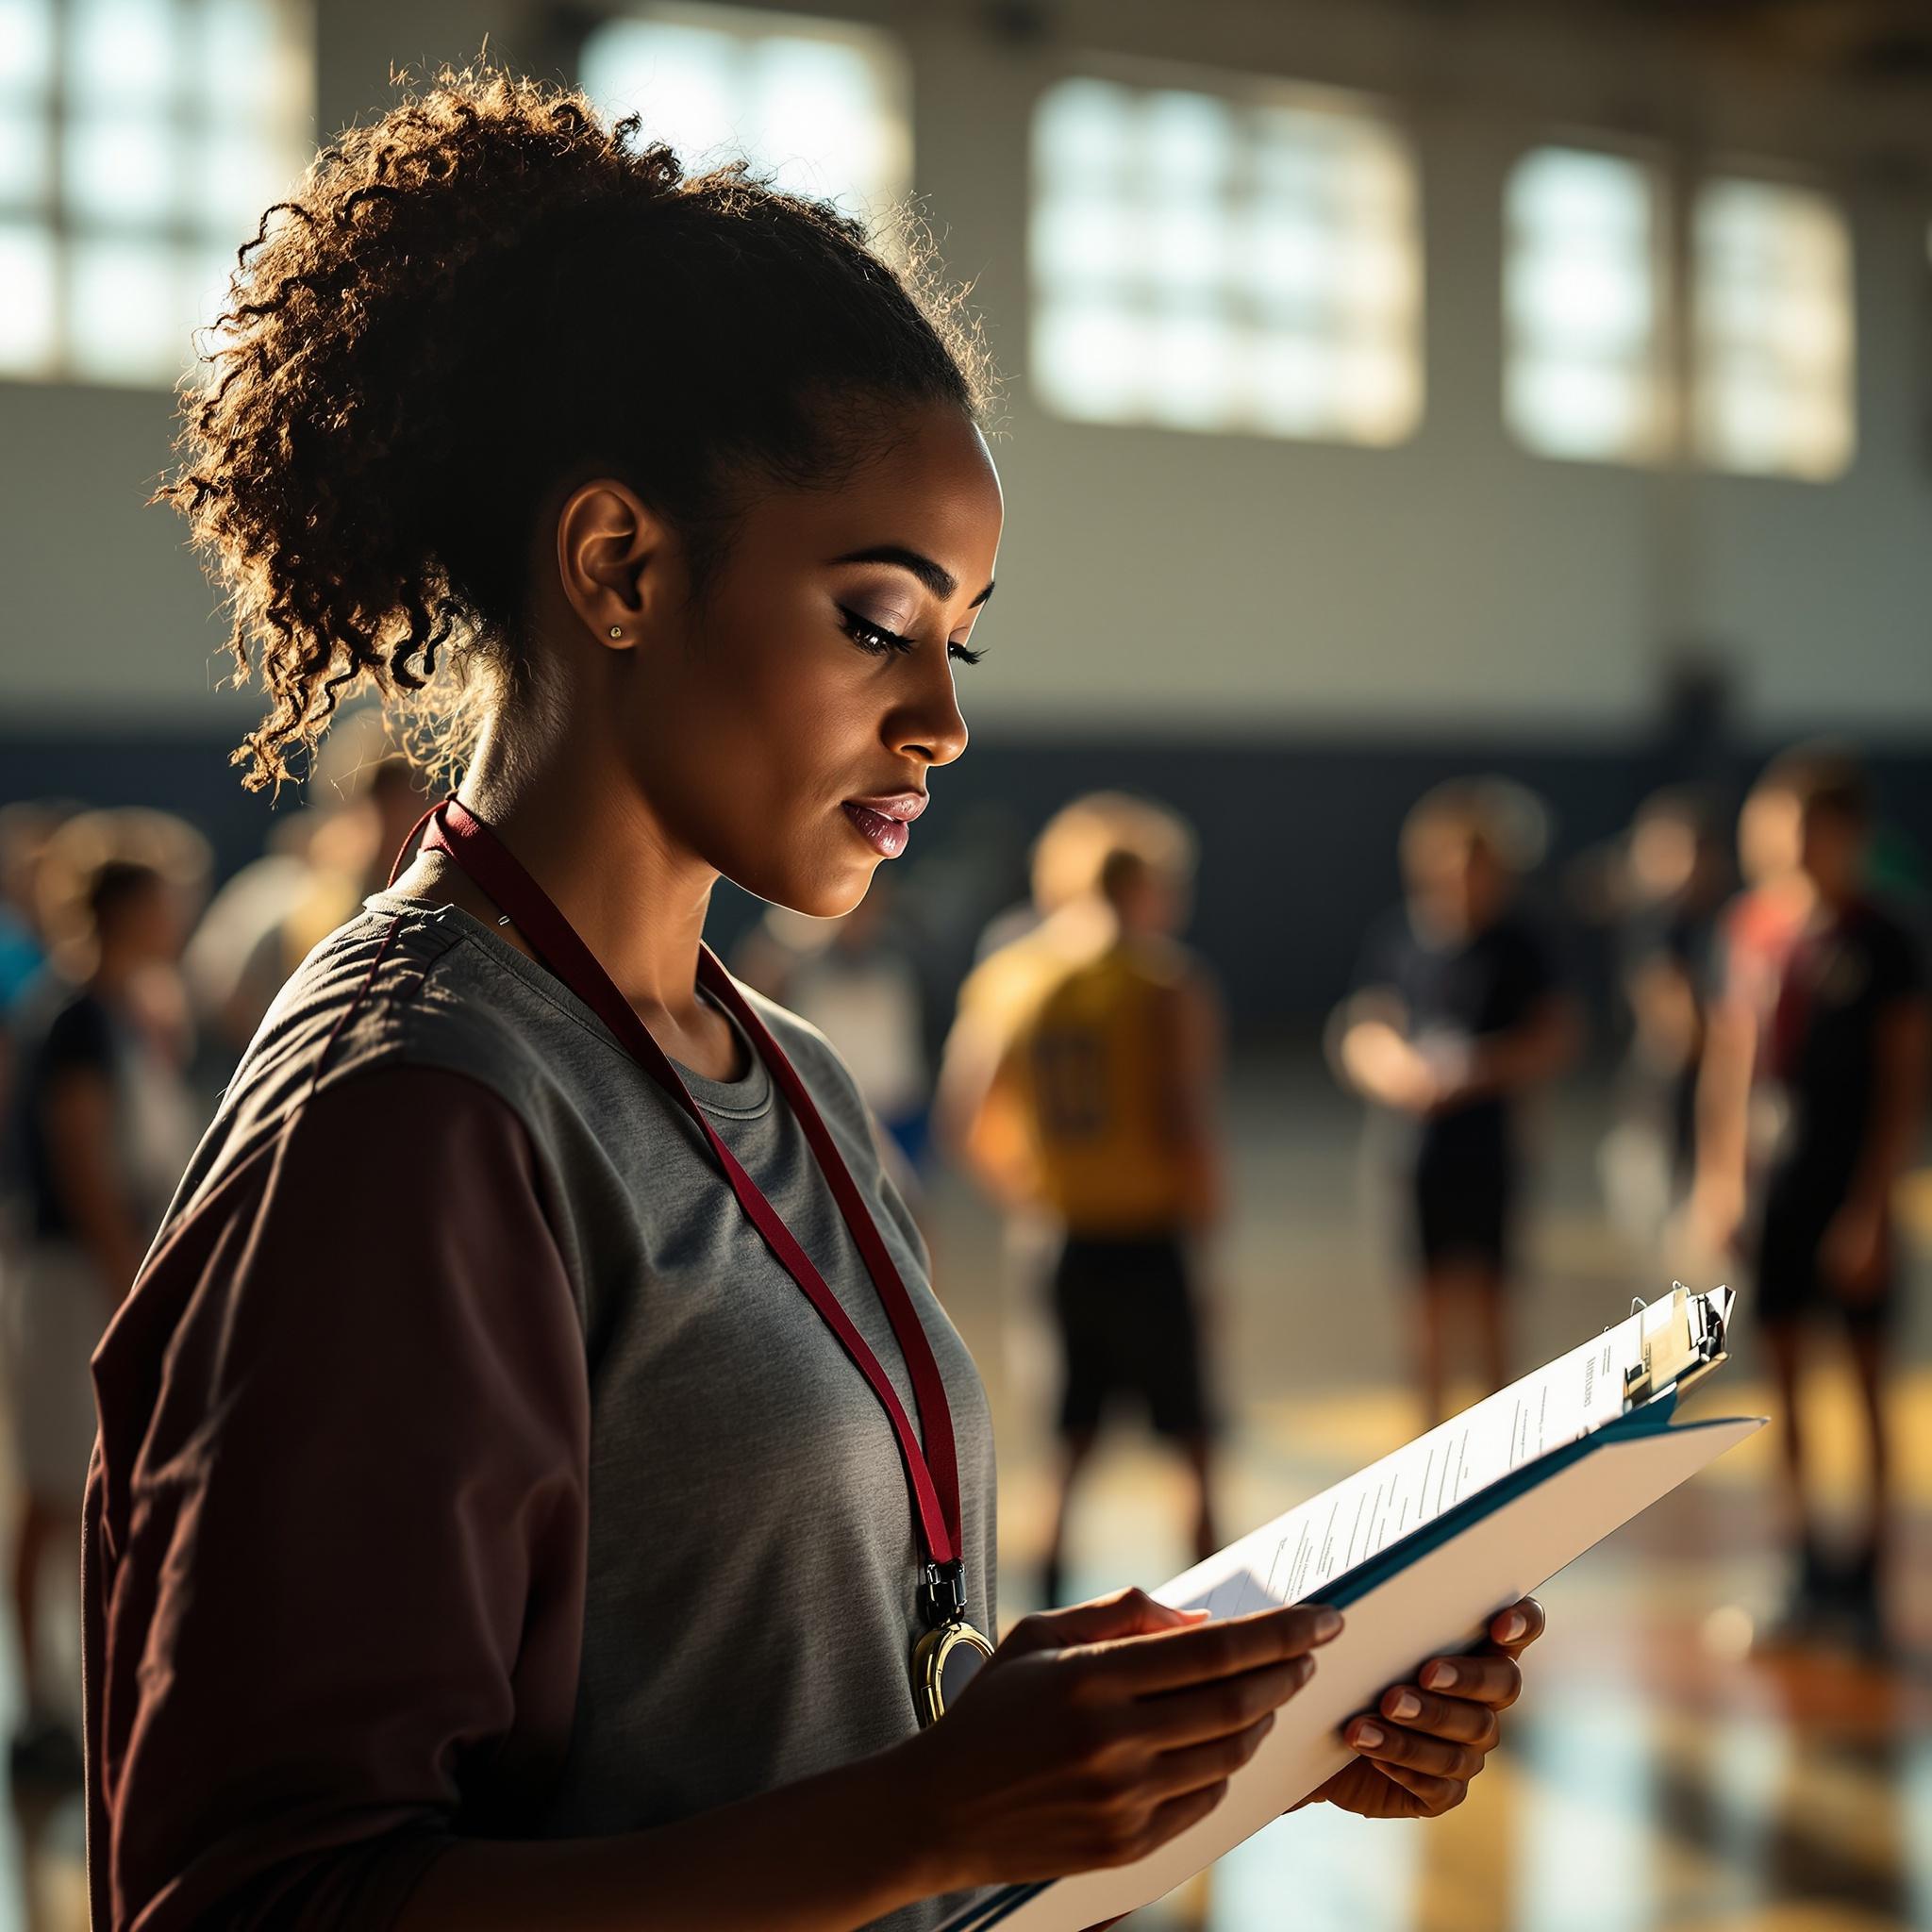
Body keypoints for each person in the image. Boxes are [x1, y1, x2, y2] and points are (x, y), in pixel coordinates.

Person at [85, 68, 1546, 1932]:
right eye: (878, 620)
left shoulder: (799, 1077)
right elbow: (253, 1901)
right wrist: (927, 1818)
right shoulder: (411, 1118)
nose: (940, 720)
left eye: (960, 640)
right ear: (619, 564)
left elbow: (810, 1724)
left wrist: (1204, 1731)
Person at [944, 800, 1224, 1610]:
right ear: (1147, 885)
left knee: (1064, 1456)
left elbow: (965, 1119)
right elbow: (1188, 1126)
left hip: (1058, 1237)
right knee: (1195, 1452)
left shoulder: (1012, 976)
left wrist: (1032, 1191)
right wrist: (1207, 1251)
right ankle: (1218, 1624)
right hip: (1151, 1241)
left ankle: (1040, 1627)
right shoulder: (1164, 983)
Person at [1691, 749, 1928, 1649]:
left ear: (1847, 836)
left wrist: (1873, 1206)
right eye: (1772, 831)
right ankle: (1797, 1565)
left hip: (1849, 1184)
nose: (1785, 849)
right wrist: (1721, 1181)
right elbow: (1731, 1061)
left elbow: (1904, 1082)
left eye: (1802, 832)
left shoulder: (1884, 938)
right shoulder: (1750, 929)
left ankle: (1867, 1579)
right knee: (1782, 1376)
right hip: (1777, 1189)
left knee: (1865, 1388)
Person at [4, 814, 204, 1784]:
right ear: (126, 908)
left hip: (119, 1268)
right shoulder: (74, 1016)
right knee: (51, 1483)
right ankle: (42, 1699)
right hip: (73, 1277)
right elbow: (83, 1166)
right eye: (164, 898)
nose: (179, 916)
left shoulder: (140, 1011)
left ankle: (115, 1690)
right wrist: (133, 1281)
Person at [1335, 780, 1576, 1427]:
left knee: (1493, 1306)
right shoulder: (1402, 939)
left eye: (1475, 865)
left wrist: (1479, 1068)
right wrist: (1397, 1071)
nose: (1461, 880)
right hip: (1415, 1153)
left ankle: (1499, 1450)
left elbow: (1554, 1037)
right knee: (1424, 1311)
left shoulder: (1520, 944)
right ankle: (1430, 1445)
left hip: (1489, 1148)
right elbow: (1362, 1028)